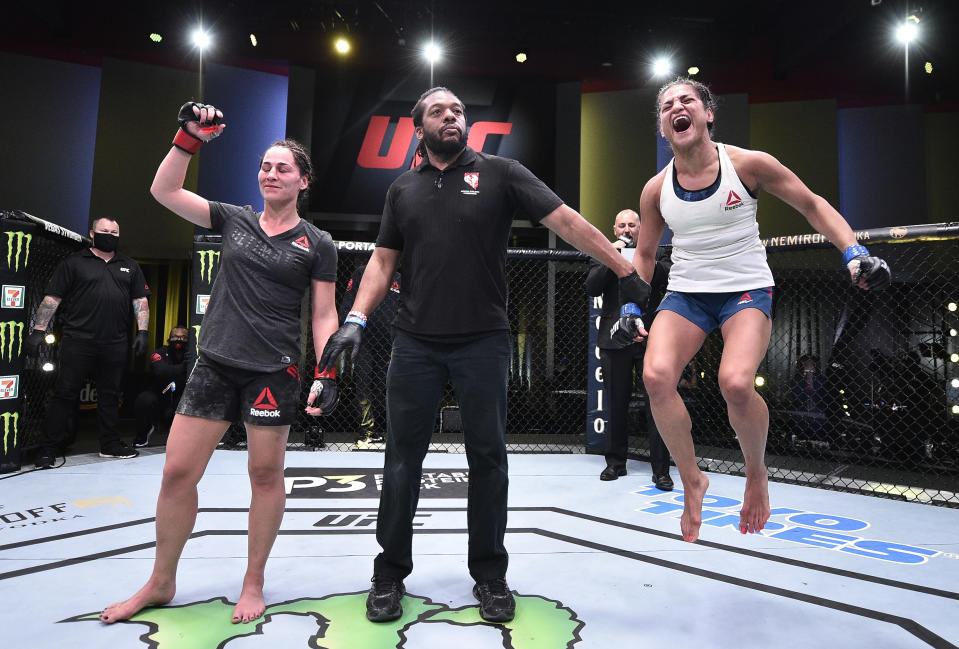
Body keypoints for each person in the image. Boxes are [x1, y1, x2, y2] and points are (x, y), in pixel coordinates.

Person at [318, 87, 650, 624]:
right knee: (402, 460)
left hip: (483, 341)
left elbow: (567, 222)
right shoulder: (402, 189)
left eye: (457, 110)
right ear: (417, 126)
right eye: (437, 111)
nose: (451, 116)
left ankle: (490, 576)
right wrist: (355, 319)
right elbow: (381, 263)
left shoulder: (503, 172)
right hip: (416, 342)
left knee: (489, 460)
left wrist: (624, 269)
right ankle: (389, 572)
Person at [613, 77, 891, 543]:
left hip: (746, 289)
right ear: (664, 127)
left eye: (686, 101)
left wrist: (853, 252)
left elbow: (812, 203)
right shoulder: (655, 190)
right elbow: (643, 254)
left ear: (707, 114)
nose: (676, 108)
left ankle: (756, 472)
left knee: (736, 383)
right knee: (657, 377)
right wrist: (630, 304)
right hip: (687, 293)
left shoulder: (747, 165)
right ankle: (691, 479)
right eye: (666, 106)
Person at [99, 102, 339, 625]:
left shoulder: (317, 243)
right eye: (265, 166)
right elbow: (164, 192)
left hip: (273, 370)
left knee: (264, 474)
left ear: (303, 181)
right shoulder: (233, 219)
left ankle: (253, 583)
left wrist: (328, 371)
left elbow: (323, 314)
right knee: (177, 472)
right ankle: (161, 582)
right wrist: (187, 138)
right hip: (215, 363)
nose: (270, 174)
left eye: (283, 168)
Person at [24, 217, 151, 468]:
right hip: (78, 339)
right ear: (92, 233)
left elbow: (140, 301)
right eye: (105, 231)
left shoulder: (129, 265)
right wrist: (39, 330)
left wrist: (143, 332)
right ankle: (49, 449)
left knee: (110, 395)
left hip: (114, 341)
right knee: (64, 394)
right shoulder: (74, 262)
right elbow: (52, 298)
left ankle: (110, 445)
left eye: (114, 232)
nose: (110, 235)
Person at [586, 209, 673, 489]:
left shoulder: (657, 252)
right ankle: (615, 463)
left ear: (641, 228)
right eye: (622, 225)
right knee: (616, 402)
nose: (627, 229)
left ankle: (661, 469)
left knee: (658, 403)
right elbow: (592, 287)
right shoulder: (604, 250)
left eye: (632, 225)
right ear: (614, 229)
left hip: (651, 336)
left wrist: (639, 257)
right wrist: (614, 255)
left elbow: (668, 279)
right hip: (614, 337)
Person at [338, 265, 401, 448]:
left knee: (384, 386)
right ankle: (367, 431)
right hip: (364, 340)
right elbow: (349, 301)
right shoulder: (361, 272)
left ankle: (382, 430)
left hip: (388, 343)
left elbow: (403, 309)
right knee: (363, 383)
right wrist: (347, 327)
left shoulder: (399, 279)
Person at [133, 326, 190, 447]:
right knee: (145, 400)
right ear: (169, 339)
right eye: (175, 337)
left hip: (181, 399)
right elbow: (162, 372)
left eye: (183, 337)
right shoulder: (158, 353)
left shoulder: (191, 355)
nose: (179, 340)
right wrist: (184, 366)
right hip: (160, 396)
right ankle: (143, 435)